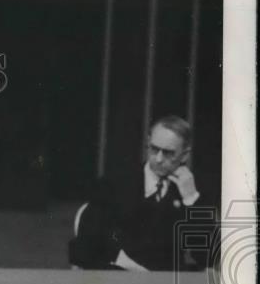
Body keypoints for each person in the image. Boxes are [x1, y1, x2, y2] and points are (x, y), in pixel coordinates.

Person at [69, 115, 212, 271]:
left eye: (168, 153)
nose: (158, 159)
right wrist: (124, 263)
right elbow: (85, 245)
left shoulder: (193, 188)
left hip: (167, 283)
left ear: (184, 155)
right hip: (120, 278)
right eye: (154, 149)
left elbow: (208, 258)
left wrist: (191, 199)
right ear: (148, 143)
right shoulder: (115, 182)